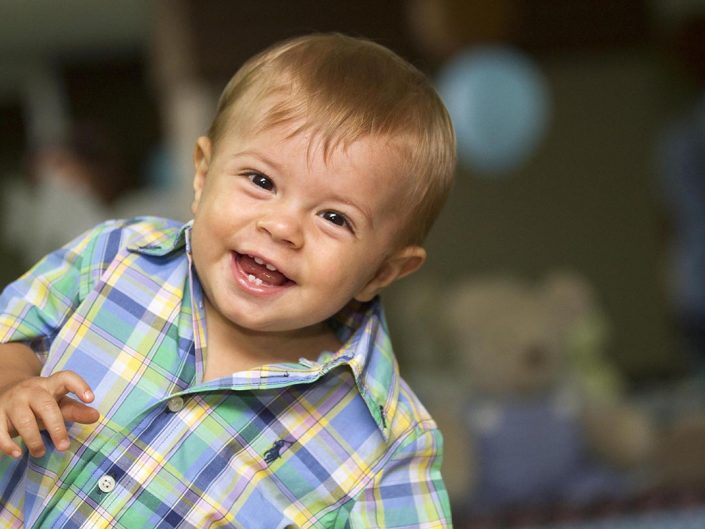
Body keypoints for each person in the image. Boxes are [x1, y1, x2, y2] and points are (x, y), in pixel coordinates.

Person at [0, 33, 455, 528]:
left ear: (383, 271)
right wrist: (12, 383)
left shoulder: (389, 446)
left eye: (334, 218)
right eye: (261, 181)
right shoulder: (116, 255)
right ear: (202, 175)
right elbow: (14, 327)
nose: (281, 228)